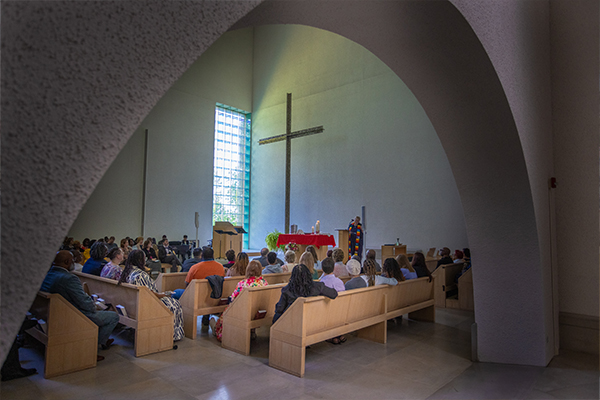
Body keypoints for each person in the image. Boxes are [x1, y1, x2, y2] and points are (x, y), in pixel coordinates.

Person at [41, 251, 119, 359]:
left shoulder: (47, 274)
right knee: (113, 316)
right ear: (67, 262)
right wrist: (94, 307)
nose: (73, 263)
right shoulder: (69, 278)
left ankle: (102, 340)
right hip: (73, 315)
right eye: (72, 260)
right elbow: (85, 303)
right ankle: (92, 347)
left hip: (51, 313)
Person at [118, 250, 184, 341]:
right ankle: (173, 335)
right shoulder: (141, 275)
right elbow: (150, 294)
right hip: (146, 304)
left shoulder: (126, 271)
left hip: (132, 304)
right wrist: (164, 294)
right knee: (175, 304)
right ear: (140, 260)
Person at [212, 261, 268, 341]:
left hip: (243, 312)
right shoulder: (264, 282)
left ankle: (218, 331)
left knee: (226, 312)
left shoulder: (243, 283)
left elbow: (233, 299)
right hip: (257, 311)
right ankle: (251, 331)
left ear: (247, 270)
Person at [273, 264, 338, 324]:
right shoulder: (318, 287)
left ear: (292, 276)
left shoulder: (287, 290)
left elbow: (279, 309)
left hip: (293, 323)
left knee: (276, 317)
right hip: (314, 321)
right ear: (308, 274)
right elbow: (334, 294)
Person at [318, 257, 347, 345]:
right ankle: (338, 334)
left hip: (326, 313)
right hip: (340, 312)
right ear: (334, 268)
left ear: (322, 269)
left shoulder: (321, 283)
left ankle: (332, 336)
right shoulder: (339, 281)